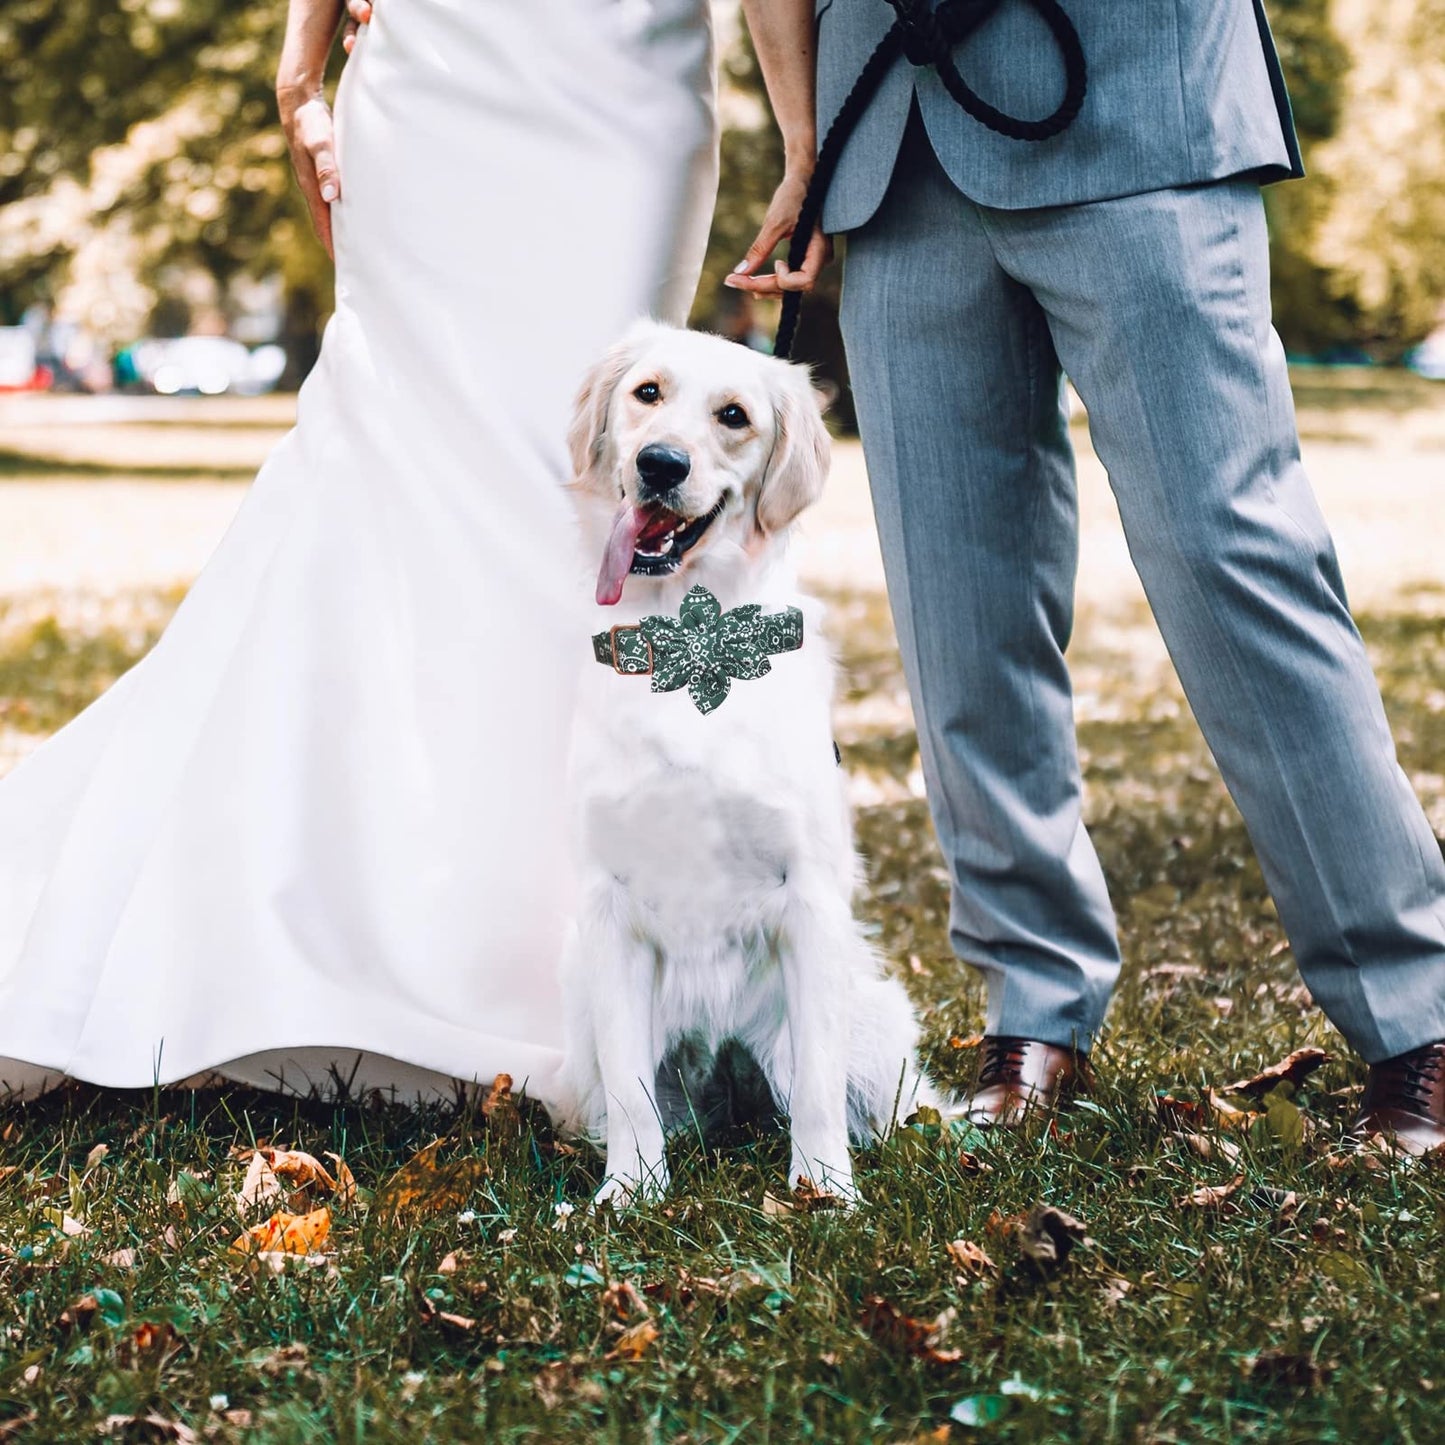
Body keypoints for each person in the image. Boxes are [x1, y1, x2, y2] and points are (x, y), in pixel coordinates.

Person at [730, 0, 1445, 1151]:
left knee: (1231, 561)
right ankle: (1032, 999)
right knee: (954, 601)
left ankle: (1420, 1010)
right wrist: (807, 146)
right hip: (896, 138)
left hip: (1133, 104)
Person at [0, 0, 718, 1105]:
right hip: (437, 72)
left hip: (628, 79)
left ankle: (562, 947)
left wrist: (807, 132)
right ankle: (303, 922)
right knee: (395, 461)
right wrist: (300, 71)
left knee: (571, 493)